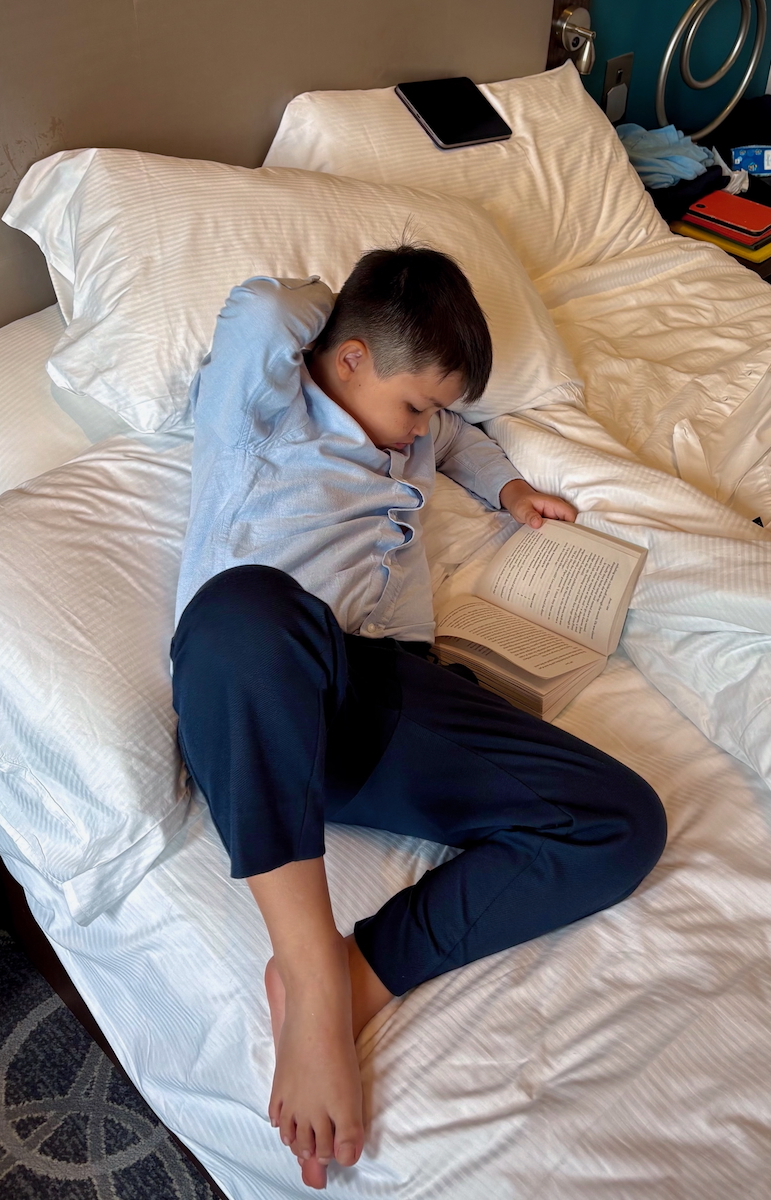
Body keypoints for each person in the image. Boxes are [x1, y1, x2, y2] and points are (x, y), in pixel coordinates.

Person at [171, 246, 666, 1191]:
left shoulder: (416, 429)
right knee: (244, 608)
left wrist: (508, 490)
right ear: (349, 356)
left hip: (381, 696)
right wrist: (360, 304)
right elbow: (262, 309)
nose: (422, 430)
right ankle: (309, 974)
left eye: (433, 412)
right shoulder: (262, 416)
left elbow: (459, 436)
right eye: (412, 405)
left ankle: (354, 979)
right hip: (258, 691)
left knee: (622, 820)